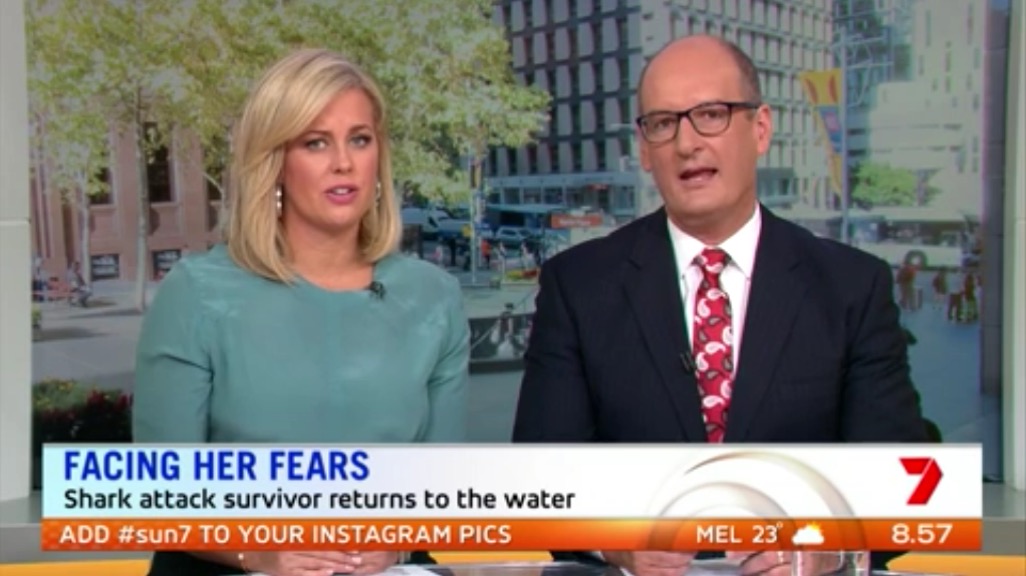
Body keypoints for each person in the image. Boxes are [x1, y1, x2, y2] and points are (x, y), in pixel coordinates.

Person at [512, 35, 927, 576]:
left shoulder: (851, 286)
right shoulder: (579, 285)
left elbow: (900, 488)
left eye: (711, 115)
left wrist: (825, 553)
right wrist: (614, 543)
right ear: (644, 149)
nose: (686, 143)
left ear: (761, 129)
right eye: (663, 123)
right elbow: (540, 481)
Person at [133, 49, 470, 576]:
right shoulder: (198, 293)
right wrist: (259, 553)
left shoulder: (433, 298)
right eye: (316, 142)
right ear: (275, 161)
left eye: (360, 139)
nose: (343, 162)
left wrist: (396, 545)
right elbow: (161, 495)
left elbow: (439, 490)